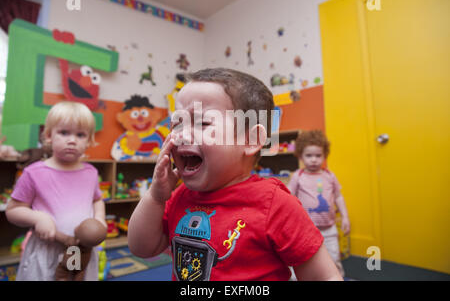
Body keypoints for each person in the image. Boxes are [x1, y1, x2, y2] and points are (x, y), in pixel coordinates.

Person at [128, 68, 342, 281]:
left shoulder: (276, 205)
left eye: (203, 123)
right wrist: (155, 197)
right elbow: (141, 247)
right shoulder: (179, 196)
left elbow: (325, 277)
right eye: (176, 124)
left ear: (250, 140)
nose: (181, 135)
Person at [6, 101, 106, 281]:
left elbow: (96, 200)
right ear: (48, 135)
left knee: (76, 277)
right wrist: (38, 218)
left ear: (89, 140)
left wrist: (99, 220)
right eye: (64, 132)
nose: (72, 140)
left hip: (79, 250)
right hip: (46, 252)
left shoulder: (90, 172)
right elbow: (12, 210)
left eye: (80, 134)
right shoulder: (34, 173)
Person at [287, 130, 350, 277]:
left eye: (318, 155)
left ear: (324, 156)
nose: (314, 160)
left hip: (329, 229)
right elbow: (289, 198)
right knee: (302, 260)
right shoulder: (298, 176)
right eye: (309, 156)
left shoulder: (329, 176)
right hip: (305, 229)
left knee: (334, 260)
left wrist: (345, 217)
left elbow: (338, 197)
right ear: (301, 156)